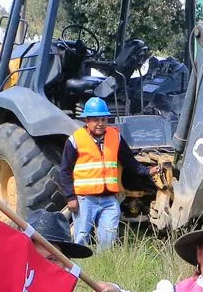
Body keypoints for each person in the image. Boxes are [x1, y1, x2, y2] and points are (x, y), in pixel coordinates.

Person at [60, 97, 156, 250]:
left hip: (109, 200)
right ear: (87, 120)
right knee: (81, 238)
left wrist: (148, 171)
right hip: (85, 200)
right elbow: (65, 170)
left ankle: (102, 268)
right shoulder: (75, 140)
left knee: (108, 238)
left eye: (104, 119)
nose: (100, 123)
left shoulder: (115, 137)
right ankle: (77, 270)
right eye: (96, 120)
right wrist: (70, 197)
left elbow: (130, 162)